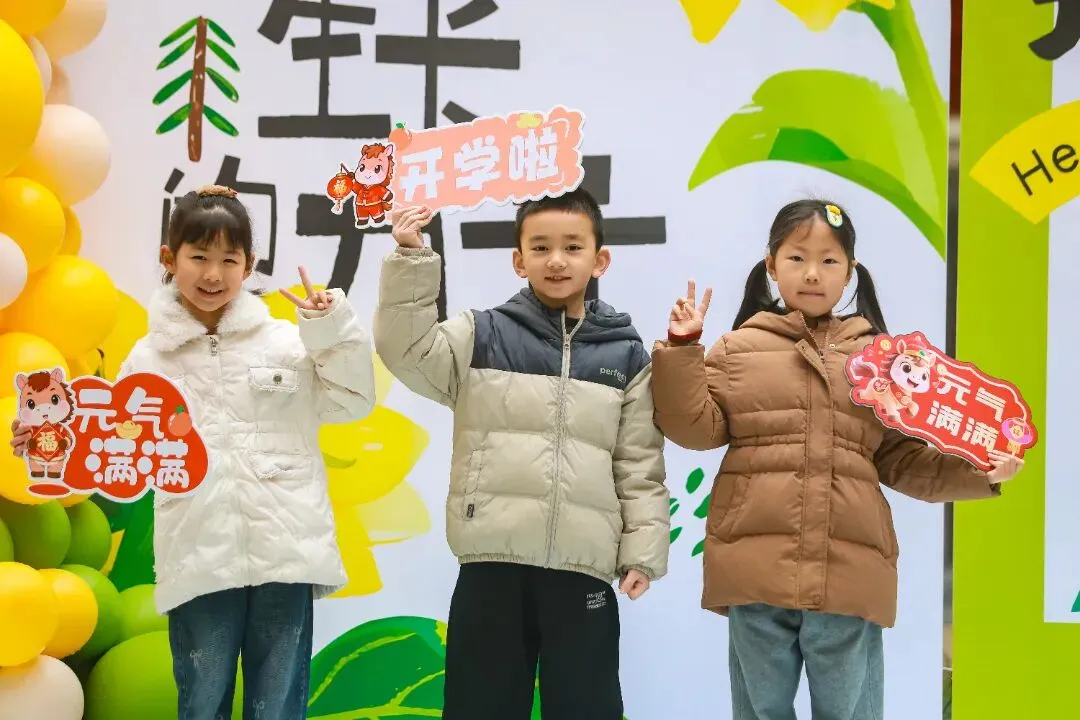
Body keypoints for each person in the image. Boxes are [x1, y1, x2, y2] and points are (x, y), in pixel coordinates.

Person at [10, 185, 377, 720]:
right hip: (199, 553)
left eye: (229, 259)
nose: (213, 274)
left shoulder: (284, 341)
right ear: (170, 258)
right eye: (199, 256)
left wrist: (330, 331)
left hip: (288, 548)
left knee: (279, 705)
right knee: (202, 701)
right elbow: (111, 446)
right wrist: (47, 435)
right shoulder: (148, 359)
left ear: (249, 264)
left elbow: (352, 400)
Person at [649, 199, 1024, 720]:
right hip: (755, 569)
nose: (812, 273)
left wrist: (979, 471)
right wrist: (683, 348)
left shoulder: (881, 363)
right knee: (760, 711)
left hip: (850, 572)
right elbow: (694, 428)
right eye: (796, 257)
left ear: (850, 271)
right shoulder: (737, 349)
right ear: (771, 265)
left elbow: (902, 460)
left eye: (829, 261)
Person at [372, 189, 669, 720]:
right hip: (492, 567)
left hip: (581, 568)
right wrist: (412, 258)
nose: (556, 260)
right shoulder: (480, 334)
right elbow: (406, 350)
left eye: (572, 247)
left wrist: (642, 551)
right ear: (518, 259)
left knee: (587, 708)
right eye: (540, 247)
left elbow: (638, 463)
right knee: (481, 707)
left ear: (600, 259)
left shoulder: (626, 353)